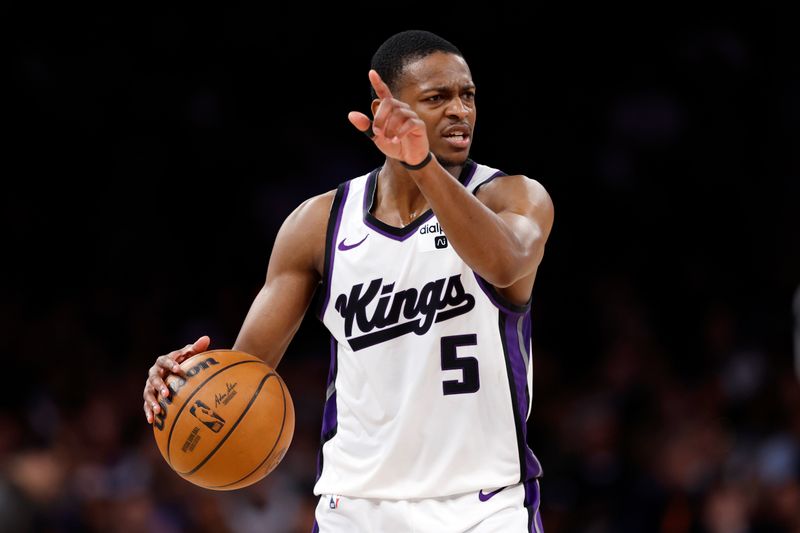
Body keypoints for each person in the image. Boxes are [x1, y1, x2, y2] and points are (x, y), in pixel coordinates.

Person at [143, 29, 554, 532]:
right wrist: (184, 383)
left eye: (467, 95)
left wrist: (421, 165)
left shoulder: (511, 197)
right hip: (355, 507)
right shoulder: (319, 223)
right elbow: (245, 371)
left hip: (483, 506)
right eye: (437, 97)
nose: (459, 111)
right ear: (386, 108)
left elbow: (506, 263)